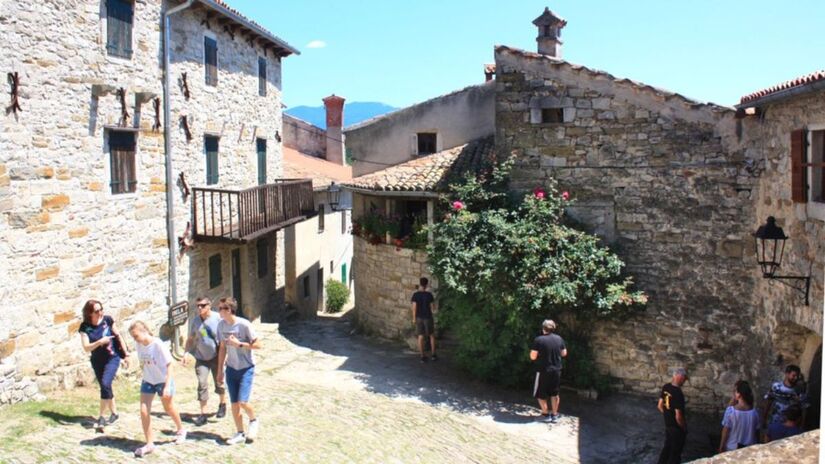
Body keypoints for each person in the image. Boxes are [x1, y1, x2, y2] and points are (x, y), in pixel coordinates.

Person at [129, 321, 186, 457]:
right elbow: (143, 363)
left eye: (136, 336)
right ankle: (149, 444)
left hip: (163, 380)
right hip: (148, 380)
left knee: (168, 408)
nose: (134, 339)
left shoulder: (158, 344)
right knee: (143, 411)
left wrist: (167, 385)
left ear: (144, 331)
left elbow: (169, 365)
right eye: (133, 337)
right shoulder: (139, 345)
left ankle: (181, 429)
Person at [77, 299, 130, 431]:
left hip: (112, 357)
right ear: (90, 313)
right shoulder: (85, 327)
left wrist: (126, 354)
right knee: (105, 387)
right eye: (97, 311)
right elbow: (86, 347)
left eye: (101, 309)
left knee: (105, 384)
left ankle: (101, 416)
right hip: (97, 360)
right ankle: (114, 413)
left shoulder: (108, 320)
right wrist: (100, 342)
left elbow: (118, 336)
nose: (100, 312)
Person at [216, 297, 261, 445]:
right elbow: (222, 348)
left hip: (246, 368)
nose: (218, 311)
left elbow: (258, 345)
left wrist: (239, 344)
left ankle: (253, 420)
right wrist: (220, 370)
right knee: (234, 403)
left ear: (228, 310)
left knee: (242, 401)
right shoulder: (221, 326)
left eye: (220, 308)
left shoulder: (244, 325)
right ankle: (240, 432)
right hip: (231, 368)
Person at [183, 297, 227, 426]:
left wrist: (225, 357)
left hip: (216, 356)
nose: (199, 308)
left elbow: (224, 340)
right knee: (202, 383)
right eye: (198, 306)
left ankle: (222, 404)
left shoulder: (218, 319)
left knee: (219, 382)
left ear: (209, 305)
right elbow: (191, 338)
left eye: (202, 305)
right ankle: (203, 414)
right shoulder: (196, 321)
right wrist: (186, 352)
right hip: (201, 357)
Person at [529, 319, 567, 424]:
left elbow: (532, 356)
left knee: (540, 393)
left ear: (543, 328)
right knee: (554, 394)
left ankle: (545, 414)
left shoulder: (539, 340)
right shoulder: (559, 338)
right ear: (553, 328)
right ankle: (555, 415)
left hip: (543, 371)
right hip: (556, 370)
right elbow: (564, 353)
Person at [718, 380, 760, 453]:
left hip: (732, 448)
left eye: (736, 392)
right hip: (750, 448)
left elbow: (725, 431)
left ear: (739, 394)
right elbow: (757, 432)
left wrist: (721, 446)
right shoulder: (755, 412)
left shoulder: (731, 412)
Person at [657, 367, 688, 464]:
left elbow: (659, 406)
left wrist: (667, 416)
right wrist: (684, 428)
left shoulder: (666, 387)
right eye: (684, 378)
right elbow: (678, 416)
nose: (684, 381)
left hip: (668, 425)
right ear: (680, 377)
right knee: (675, 453)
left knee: (667, 448)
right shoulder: (678, 393)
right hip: (676, 428)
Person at [763, 364, 807, 431]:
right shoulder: (776, 387)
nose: (796, 378)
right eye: (794, 375)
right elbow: (768, 402)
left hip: (791, 426)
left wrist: (801, 426)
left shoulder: (799, 390)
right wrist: (764, 419)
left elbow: (803, 409)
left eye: (797, 376)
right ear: (787, 374)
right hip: (775, 422)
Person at [411, 277, 437, 363]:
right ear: (426, 284)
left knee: (420, 336)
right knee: (431, 336)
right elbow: (433, 308)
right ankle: (433, 355)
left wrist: (414, 318)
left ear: (420, 284)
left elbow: (414, 308)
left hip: (419, 317)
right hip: (428, 317)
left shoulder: (415, 295)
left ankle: (422, 356)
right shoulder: (429, 295)